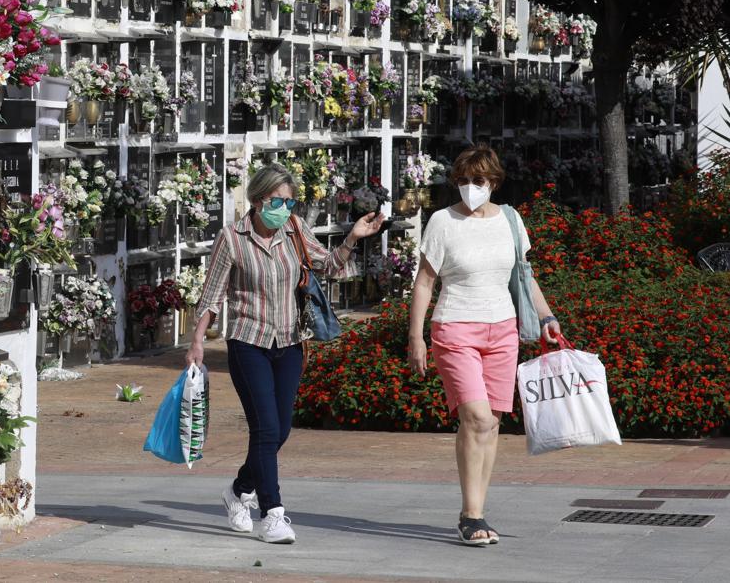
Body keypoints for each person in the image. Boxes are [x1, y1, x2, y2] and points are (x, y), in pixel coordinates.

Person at [186, 163, 383, 544]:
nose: (286, 208)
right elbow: (213, 294)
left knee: (280, 429)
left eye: (290, 201)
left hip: (290, 341)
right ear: (259, 200)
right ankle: (272, 514)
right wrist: (197, 341)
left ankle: (237, 491)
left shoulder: (294, 229)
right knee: (264, 428)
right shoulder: (232, 238)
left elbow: (326, 265)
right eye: (279, 201)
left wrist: (353, 237)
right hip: (248, 341)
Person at [407, 145, 564, 546]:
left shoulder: (510, 220)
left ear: (493, 181)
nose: (469, 188)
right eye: (462, 180)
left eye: (477, 180)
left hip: (503, 330)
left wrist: (547, 318)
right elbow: (425, 282)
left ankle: (475, 509)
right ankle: (471, 514)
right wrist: (416, 337)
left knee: (490, 423)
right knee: (476, 417)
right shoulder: (443, 222)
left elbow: (525, 276)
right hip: (454, 327)